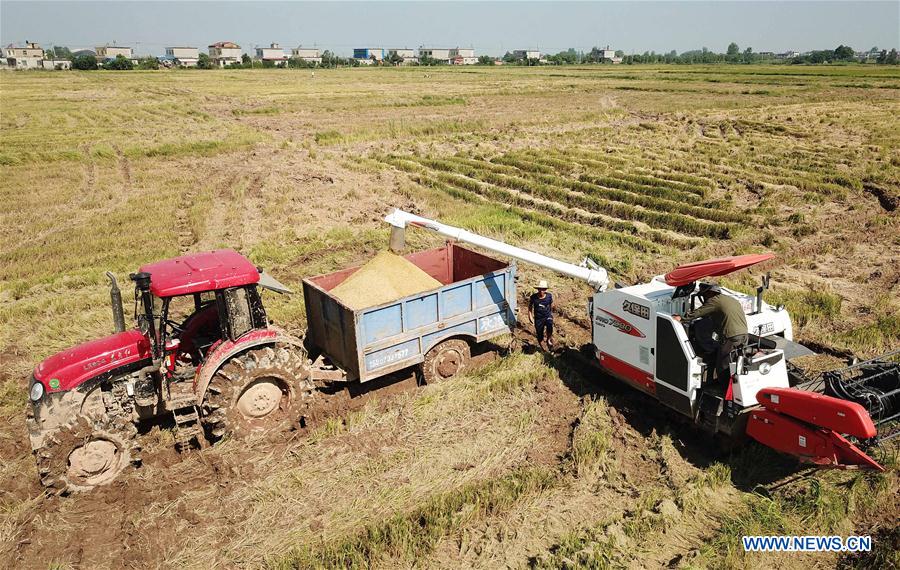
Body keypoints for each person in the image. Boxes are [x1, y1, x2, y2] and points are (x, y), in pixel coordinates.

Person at [674, 283, 748, 386]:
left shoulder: (714, 301)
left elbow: (699, 312)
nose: (705, 297)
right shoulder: (729, 299)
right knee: (738, 362)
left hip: (732, 337)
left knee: (722, 364)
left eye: (705, 295)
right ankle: (737, 384)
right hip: (744, 335)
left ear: (710, 292)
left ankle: (724, 387)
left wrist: (682, 319)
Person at [528, 280, 554, 351]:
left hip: (547, 316)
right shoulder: (533, 297)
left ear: (545, 290)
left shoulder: (549, 296)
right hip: (538, 319)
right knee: (540, 335)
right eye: (540, 289)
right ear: (538, 289)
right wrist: (530, 316)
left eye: (543, 289)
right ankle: (544, 350)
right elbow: (530, 307)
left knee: (549, 325)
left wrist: (551, 314)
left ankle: (548, 340)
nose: (541, 291)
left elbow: (551, 304)